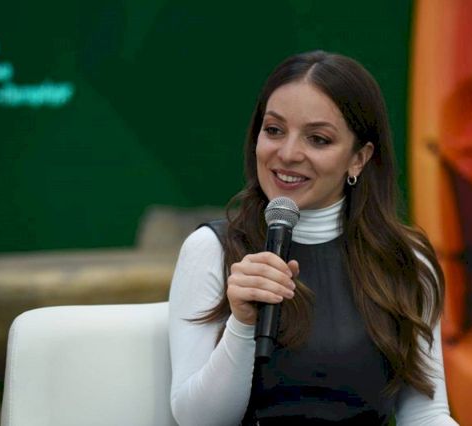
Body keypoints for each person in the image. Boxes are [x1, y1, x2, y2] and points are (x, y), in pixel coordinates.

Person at [168, 50, 457, 425]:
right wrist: (242, 323)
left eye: (318, 139)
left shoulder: (407, 261)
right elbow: (197, 420)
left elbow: (425, 413)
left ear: (359, 158)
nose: (288, 154)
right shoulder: (212, 249)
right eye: (274, 130)